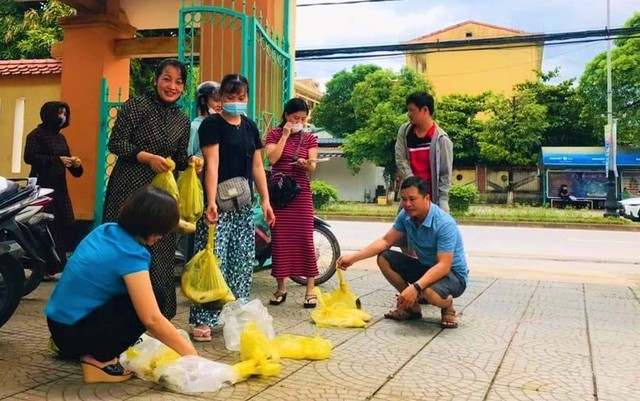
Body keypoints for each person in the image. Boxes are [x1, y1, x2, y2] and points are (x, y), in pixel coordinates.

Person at [45, 186, 198, 384]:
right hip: (74, 336)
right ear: (150, 225)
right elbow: (152, 319)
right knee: (157, 298)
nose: (162, 237)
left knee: (144, 295)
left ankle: (86, 348)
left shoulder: (105, 230)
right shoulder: (131, 254)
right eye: (162, 231)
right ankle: (100, 359)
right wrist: (193, 358)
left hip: (58, 327)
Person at [102, 58, 202, 320]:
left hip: (161, 196)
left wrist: (190, 162)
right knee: (125, 245)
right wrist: (146, 157)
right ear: (156, 80)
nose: (172, 86)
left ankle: (157, 316)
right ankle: (115, 316)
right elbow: (117, 144)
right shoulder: (137, 106)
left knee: (159, 249)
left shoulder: (181, 120)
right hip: (129, 189)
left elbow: (179, 157)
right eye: (166, 79)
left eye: (178, 82)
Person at [189, 73, 275, 341]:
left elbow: (258, 166)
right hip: (219, 203)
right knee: (214, 259)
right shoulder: (211, 125)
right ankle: (204, 319)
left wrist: (266, 199)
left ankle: (236, 312)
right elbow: (211, 163)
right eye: (230, 97)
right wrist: (211, 200)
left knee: (241, 259)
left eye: (241, 97)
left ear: (247, 97)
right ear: (220, 98)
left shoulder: (250, 127)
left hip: (243, 203)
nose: (236, 102)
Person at [337, 176, 468, 329]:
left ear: (426, 198)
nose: (407, 204)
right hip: (426, 267)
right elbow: (386, 241)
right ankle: (411, 308)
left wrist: (415, 288)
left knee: (429, 292)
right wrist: (353, 258)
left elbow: (443, 266)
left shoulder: (444, 223)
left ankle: (448, 305)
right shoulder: (405, 216)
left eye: (412, 199)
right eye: (403, 199)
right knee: (384, 257)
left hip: (452, 276)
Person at [265, 98, 319, 308]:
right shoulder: (274, 134)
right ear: (287, 116)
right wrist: (285, 136)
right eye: (296, 118)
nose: (300, 122)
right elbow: (272, 159)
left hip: (301, 192)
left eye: (303, 119)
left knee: (306, 238)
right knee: (280, 240)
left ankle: (310, 289)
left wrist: (306, 164)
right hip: (279, 192)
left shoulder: (310, 138)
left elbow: (313, 166)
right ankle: (281, 288)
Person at [24, 101, 83, 280]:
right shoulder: (36, 135)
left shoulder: (60, 137)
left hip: (60, 187)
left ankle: (60, 264)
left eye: (65, 114)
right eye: (59, 113)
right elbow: (30, 157)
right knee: (46, 226)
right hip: (42, 187)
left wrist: (75, 165)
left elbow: (67, 161)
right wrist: (57, 160)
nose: (62, 117)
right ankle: (46, 266)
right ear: (49, 114)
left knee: (66, 222)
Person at [395, 92, 453, 212]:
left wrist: (443, 202)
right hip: (409, 199)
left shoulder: (441, 139)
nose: (408, 114)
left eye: (412, 110)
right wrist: (413, 185)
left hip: (431, 201)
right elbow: (400, 158)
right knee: (403, 229)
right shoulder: (405, 132)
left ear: (425, 110)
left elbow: (445, 174)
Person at [188, 81, 222, 158]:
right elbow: (188, 156)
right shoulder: (194, 127)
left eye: (222, 101)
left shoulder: (223, 125)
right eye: (216, 100)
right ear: (203, 101)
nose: (220, 105)